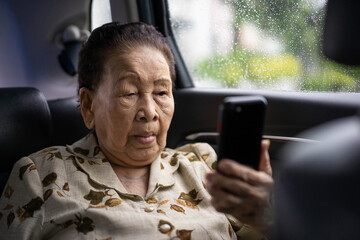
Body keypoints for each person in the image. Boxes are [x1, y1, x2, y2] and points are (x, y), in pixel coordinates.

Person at [0, 22, 273, 239]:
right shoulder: (41, 176)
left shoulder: (203, 164)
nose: (150, 111)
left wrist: (262, 217)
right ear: (88, 106)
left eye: (162, 92)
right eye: (129, 93)